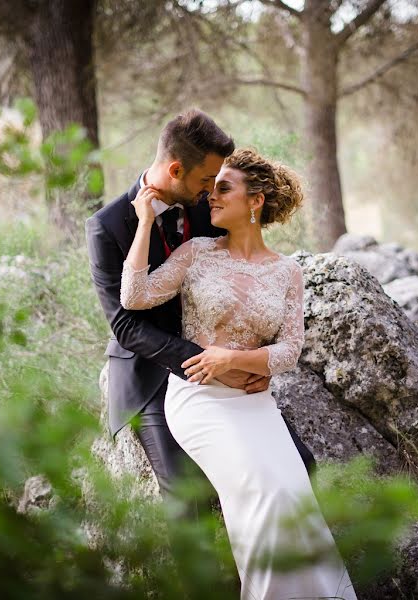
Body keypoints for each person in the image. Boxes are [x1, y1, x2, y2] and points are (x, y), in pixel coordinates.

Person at [119, 147, 358, 600]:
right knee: (262, 494)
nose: (211, 196)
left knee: (293, 497)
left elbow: (289, 349)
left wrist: (234, 359)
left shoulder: (287, 272)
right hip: (199, 400)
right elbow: (134, 296)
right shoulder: (196, 254)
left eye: (223, 188)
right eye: (211, 187)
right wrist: (146, 220)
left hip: (255, 403)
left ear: (256, 201)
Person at [85, 109, 316, 523]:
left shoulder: (204, 204)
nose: (211, 191)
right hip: (151, 372)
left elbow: (238, 276)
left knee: (300, 465)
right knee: (188, 498)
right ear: (176, 169)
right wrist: (208, 364)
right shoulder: (107, 226)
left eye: (216, 183)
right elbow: (125, 324)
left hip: (223, 363)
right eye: (206, 181)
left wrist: (248, 358)